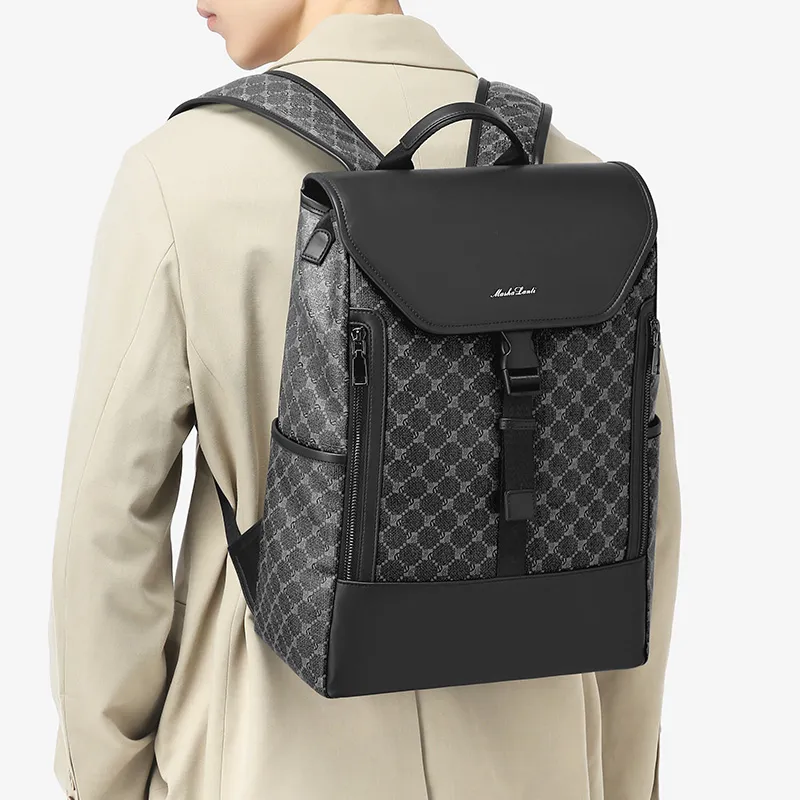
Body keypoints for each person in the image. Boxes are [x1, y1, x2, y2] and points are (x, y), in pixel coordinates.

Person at [49, 2, 681, 799]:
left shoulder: (178, 178)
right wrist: (618, 779)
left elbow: (108, 529)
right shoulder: (576, 181)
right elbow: (644, 520)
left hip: (270, 763)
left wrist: (104, 783)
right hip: (541, 768)